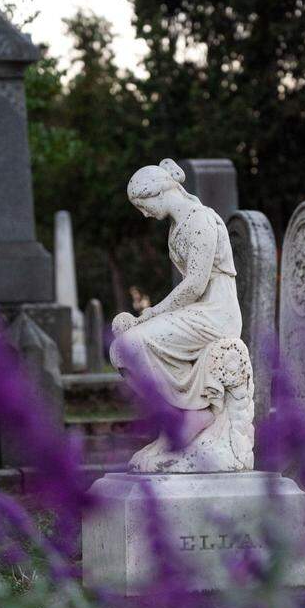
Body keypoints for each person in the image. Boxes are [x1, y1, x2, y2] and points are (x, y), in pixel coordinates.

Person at [110, 159, 243, 449]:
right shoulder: (178, 227)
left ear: (158, 193)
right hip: (196, 311)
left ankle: (194, 413)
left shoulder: (200, 220)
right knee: (122, 347)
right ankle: (176, 416)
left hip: (216, 313)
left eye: (143, 206)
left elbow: (195, 284)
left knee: (129, 346)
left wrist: (153, 313)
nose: (145, 214)